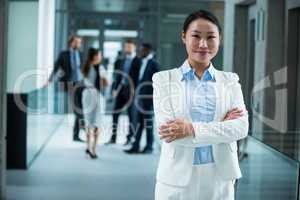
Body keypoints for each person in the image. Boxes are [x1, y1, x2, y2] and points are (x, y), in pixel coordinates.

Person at [152, 10, 249, 200]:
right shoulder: (163, 79)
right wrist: (221, 128)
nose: (203, 44)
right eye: (196, 36)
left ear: (219, 39)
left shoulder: (230, 81)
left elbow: (241, 128)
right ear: (183, 37)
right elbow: (169, 133)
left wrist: (191, 129)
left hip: (220, 177)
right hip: (175, 180)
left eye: (211, 37)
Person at [47, 35, 85, 142]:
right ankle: (79, 131)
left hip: (80, 83)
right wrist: (50, 79)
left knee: (82, 108)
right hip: (70, 84)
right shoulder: (64, 54)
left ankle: (77, 134)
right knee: (78, 109)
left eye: (80, 42)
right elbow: (56, 66)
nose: (79, 44)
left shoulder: (80, 54)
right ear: (71, 43)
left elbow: (82, 69)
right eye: (77, 42)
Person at [124, 43, 159, 154]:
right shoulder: (140, 62)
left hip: (148, 98)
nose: (141, 52)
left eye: (143, 50)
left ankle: (149, 147)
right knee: (138, 122)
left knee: (148, 123)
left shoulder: (154, 64)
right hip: (139, 96)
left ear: (148, 51)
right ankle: (136, 146)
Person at [107, 39, 141, 144]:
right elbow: (116, 76)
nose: (128, 49)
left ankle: (129, 138)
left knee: (131, 115)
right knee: (115, 114)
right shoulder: (120, 61)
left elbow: (139, 78)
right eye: (126, 47)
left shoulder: (138, 61)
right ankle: (113, 137)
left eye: (130, 47)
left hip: (131, 91)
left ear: (134, 47)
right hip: (120, 90)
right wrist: (114, 89)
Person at [81, 48, 108, 159]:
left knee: (89, 122)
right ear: (95, 56)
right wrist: (104, 78)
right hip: (95, 95)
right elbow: (106, 83)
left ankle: (88, 146)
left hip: (87, 94)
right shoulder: (100, 68)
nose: (100, 57)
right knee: (97, 123)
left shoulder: (86, 67)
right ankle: (93, 149)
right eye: (99, 55)